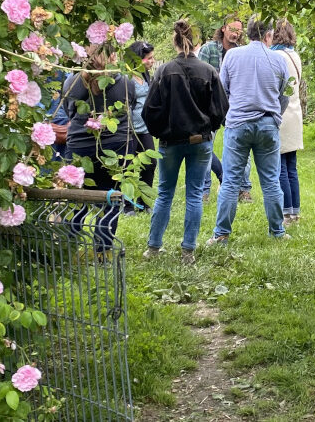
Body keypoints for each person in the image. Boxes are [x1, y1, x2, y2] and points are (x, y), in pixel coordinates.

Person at [141, 19, 229, 264]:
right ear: (196, 41)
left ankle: (154, 247)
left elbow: (149, 110)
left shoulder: (164, 71)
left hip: (170, 142)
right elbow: (221, 108)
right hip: (200, 141)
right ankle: (188, 251)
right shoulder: (208, 71)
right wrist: (209, 128)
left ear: (175, 41)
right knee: (194, 195)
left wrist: (161, 131)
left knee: (164, 193)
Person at [207, 16, 291, 244]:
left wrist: (229, 116)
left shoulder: (232, 55)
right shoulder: (279, 60)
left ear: (249, 33)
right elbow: (284, 95)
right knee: (271, 181)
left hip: (238, 124)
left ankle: (221, 233)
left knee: (231, 181)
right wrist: (274, 116)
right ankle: (278, 231)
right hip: (267, 124)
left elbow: (222, 91)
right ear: (269, 35)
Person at [60, 42, 136, 257]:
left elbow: (69, 113)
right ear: (113, 57)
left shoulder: (71, 83)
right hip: (116, 146)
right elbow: (131, 107)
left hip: (78, 147)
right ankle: (103, 250)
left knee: (76, 198)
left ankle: (70, 248)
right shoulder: (125, 82)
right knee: (110, 198)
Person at [198, 15, 253, 203]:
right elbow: (198, 78)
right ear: (223, 28)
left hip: (235, 106)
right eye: (232, 29)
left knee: (242, 147)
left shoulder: (243, 53)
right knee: (205, 146)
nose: (235, 34)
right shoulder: (208, 49)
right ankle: (204, 190)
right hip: (210, 106)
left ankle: (244, 189)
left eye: (239, 31)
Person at [270, 19, 304, 224]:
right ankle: (295, 211)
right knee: (291, 167)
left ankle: (285, 212)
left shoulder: (275, 56)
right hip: (295, 113)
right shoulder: (294, 55)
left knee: (280, 166)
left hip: (281, 113)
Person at [125, 41, 157, 214]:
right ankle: (127, 204)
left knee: (150, 163)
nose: (152, 61)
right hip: (130, 130)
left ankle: (143, 202)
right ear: (137, 59)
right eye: (148, 58)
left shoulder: (145, 75)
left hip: (144, 128)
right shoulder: (126, 77)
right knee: (128, 166)